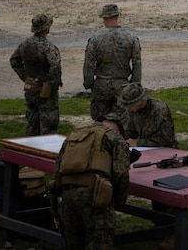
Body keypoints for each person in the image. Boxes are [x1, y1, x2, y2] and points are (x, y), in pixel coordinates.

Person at [50, 113, 132, 250]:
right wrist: (117, 203)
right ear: (118, 130)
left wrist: (55, 212)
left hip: (67, 198)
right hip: (96, 198)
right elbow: (121, 173)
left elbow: (56, 176)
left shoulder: (73, 137)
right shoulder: (115, 138)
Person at [83, 4, 142, 121]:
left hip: (101, 84)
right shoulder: (131, 37)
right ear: (117, 16)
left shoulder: (95, 39)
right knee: (123, 120)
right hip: (122, 85)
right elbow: (137, 63)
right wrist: (134, 84)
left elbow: (89, 64)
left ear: (104, 18)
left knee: (100, 121)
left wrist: (89, 83)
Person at [10, 13, 62, 136]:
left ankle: (29, 148)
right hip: (46, 89)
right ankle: (46, 151)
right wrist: (53, 83)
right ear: (46, 28)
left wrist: (25, 78)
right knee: (49, 124)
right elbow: (55, 65)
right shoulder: (48, 47)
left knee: (32, 122)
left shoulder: (25, 44)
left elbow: (14, 60)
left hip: (31, 87)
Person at [117, 82, 178, 149]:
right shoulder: (133, 110)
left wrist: (137, 143)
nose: (128, 108)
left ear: (140, 102)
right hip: (144, 149)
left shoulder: (160, 110)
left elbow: (165, 140)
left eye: (131, 105)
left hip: (165, 150)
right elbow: (130, 132)